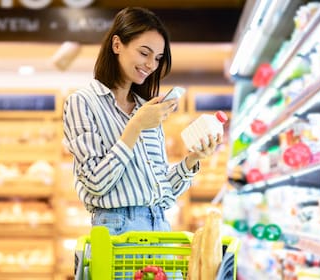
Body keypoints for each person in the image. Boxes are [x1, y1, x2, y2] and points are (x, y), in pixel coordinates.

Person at [62, 7, 223, 236]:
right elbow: (95, 182)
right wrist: (135, 126)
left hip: (159, 226)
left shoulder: (146, 108)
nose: (151, 65)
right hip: (116, 230)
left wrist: (193, 159)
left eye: (157, 58)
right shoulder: (82, 102)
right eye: (144, 53)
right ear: (117, 45)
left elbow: (163, 195)